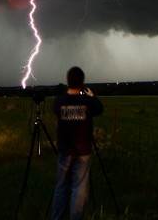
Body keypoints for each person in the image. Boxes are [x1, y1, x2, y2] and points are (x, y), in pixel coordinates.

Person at [52, 66, 103, 220]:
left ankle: (58, 217)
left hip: (65, 150)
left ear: (68, 82)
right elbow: (99, 109)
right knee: (79, 188)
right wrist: (92, 96)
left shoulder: (58, 102)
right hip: (83, 150)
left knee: (61, 186)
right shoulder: (88, 102)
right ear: (82, 82)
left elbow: (56, 110)